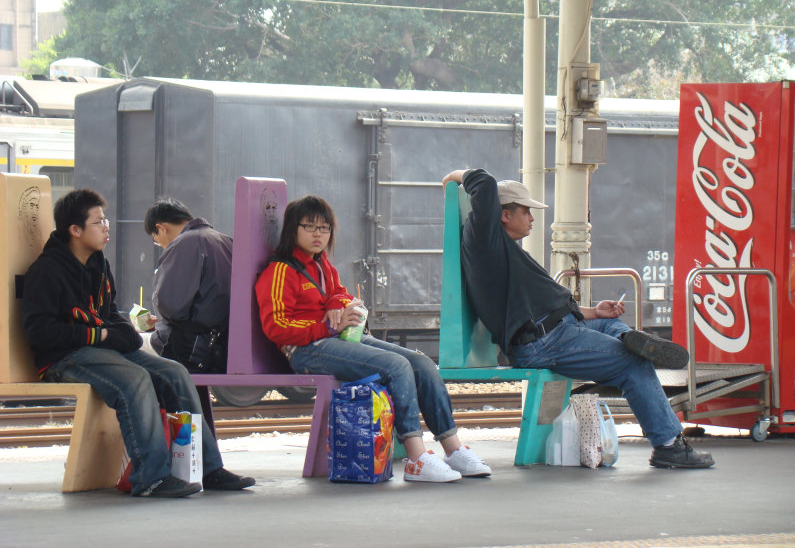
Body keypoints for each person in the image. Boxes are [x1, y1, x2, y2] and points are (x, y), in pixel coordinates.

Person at [441, 168, 714, 469]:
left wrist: (595, 312)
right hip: (543, 343)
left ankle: (627, 339)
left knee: (612, 326)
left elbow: (546, 308)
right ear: (504, 215)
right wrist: (456, 177)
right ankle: (668, 445)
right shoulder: (485, 245)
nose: (532, 218)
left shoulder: (507, 255)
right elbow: (484, 182)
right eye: (526, 211)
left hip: (560, 329)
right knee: (633, 363)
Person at [22, 189, 255, 497]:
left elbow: (110, 314)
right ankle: (151, 477)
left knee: (175, 373)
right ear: (75, 230)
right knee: (136, 379)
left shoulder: (99, 265)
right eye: (98, 221)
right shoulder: (47, 271)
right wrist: (103, 335)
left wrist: (124, 333)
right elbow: (40, 331)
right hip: (64, 358)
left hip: (101, 351)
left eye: (105, 219)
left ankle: (209, 468)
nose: (106, 226)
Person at [255, 195, 491, 482]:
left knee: (420, 362)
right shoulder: (280, 270)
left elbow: (339, 292)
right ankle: (416, 458)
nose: (319, 235)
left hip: (336, 340)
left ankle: (452, 449)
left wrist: (337, 305)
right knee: (395, 366)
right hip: (306, 349)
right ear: (293, 229)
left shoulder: (321, 264)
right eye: (310, 227)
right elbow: (277, 326)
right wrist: (328, 325)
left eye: (325, 228)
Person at [144, 198, 232, 373]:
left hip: (190, 348)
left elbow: (171, 305)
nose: (161, 244)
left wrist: (161, 320)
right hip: (220, 345)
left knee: (134, 347)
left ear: (161, 228)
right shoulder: (225, 240)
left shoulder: (184, 243)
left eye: (156, 239)